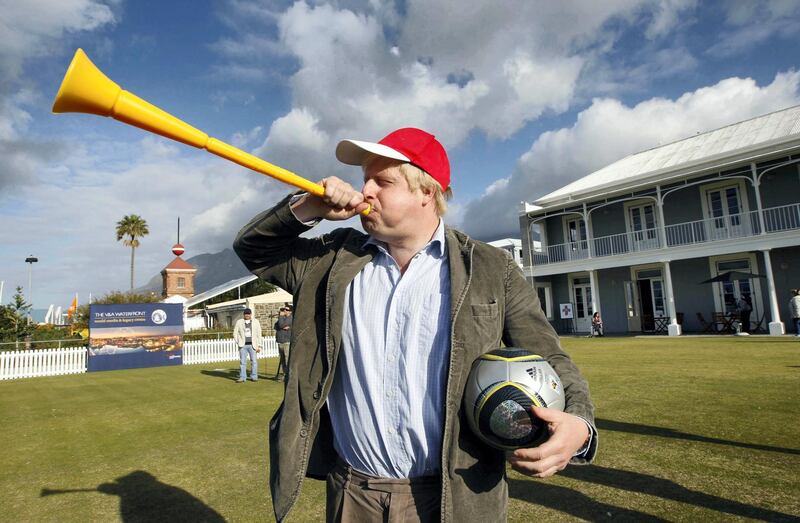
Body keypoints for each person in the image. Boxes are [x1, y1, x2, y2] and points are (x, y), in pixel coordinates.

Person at [233, 127, 596, 522]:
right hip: (354, 492)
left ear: (428, 192)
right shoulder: (332, 258)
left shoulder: (492, 268)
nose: (364, 191)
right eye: (364, 180)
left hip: (454, 496)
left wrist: (580, 423)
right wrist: (309, 208)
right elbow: (254, 248)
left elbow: (548, 357)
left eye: (382, 181)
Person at [233, 308, 262, 382]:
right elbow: (235, 333)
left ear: (251, 314)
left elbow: (259, 334)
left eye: (248, 314)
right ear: (244, 314)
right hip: (243, 345)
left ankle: (254, 377)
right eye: (246, 314)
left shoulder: (256, 322)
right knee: (242, 362)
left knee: (254, 362)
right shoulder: (239, 322)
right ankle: (242, 377)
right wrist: (238, 342)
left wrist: (259, 345)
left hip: (253, 345)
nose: (247, 315)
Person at [273, 307, 292, 378]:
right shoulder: (282, 318)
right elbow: (275, 326)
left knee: (287, 359)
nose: (284, 311)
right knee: (282, 359)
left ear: (290, 312)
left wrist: (280, 317)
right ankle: (284, 374)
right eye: (284, 310)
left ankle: (289, 375)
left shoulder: (290, 318)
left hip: (286, 341)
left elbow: (280, 325)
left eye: (287, 310)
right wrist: (281, 322)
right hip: (280, 341)